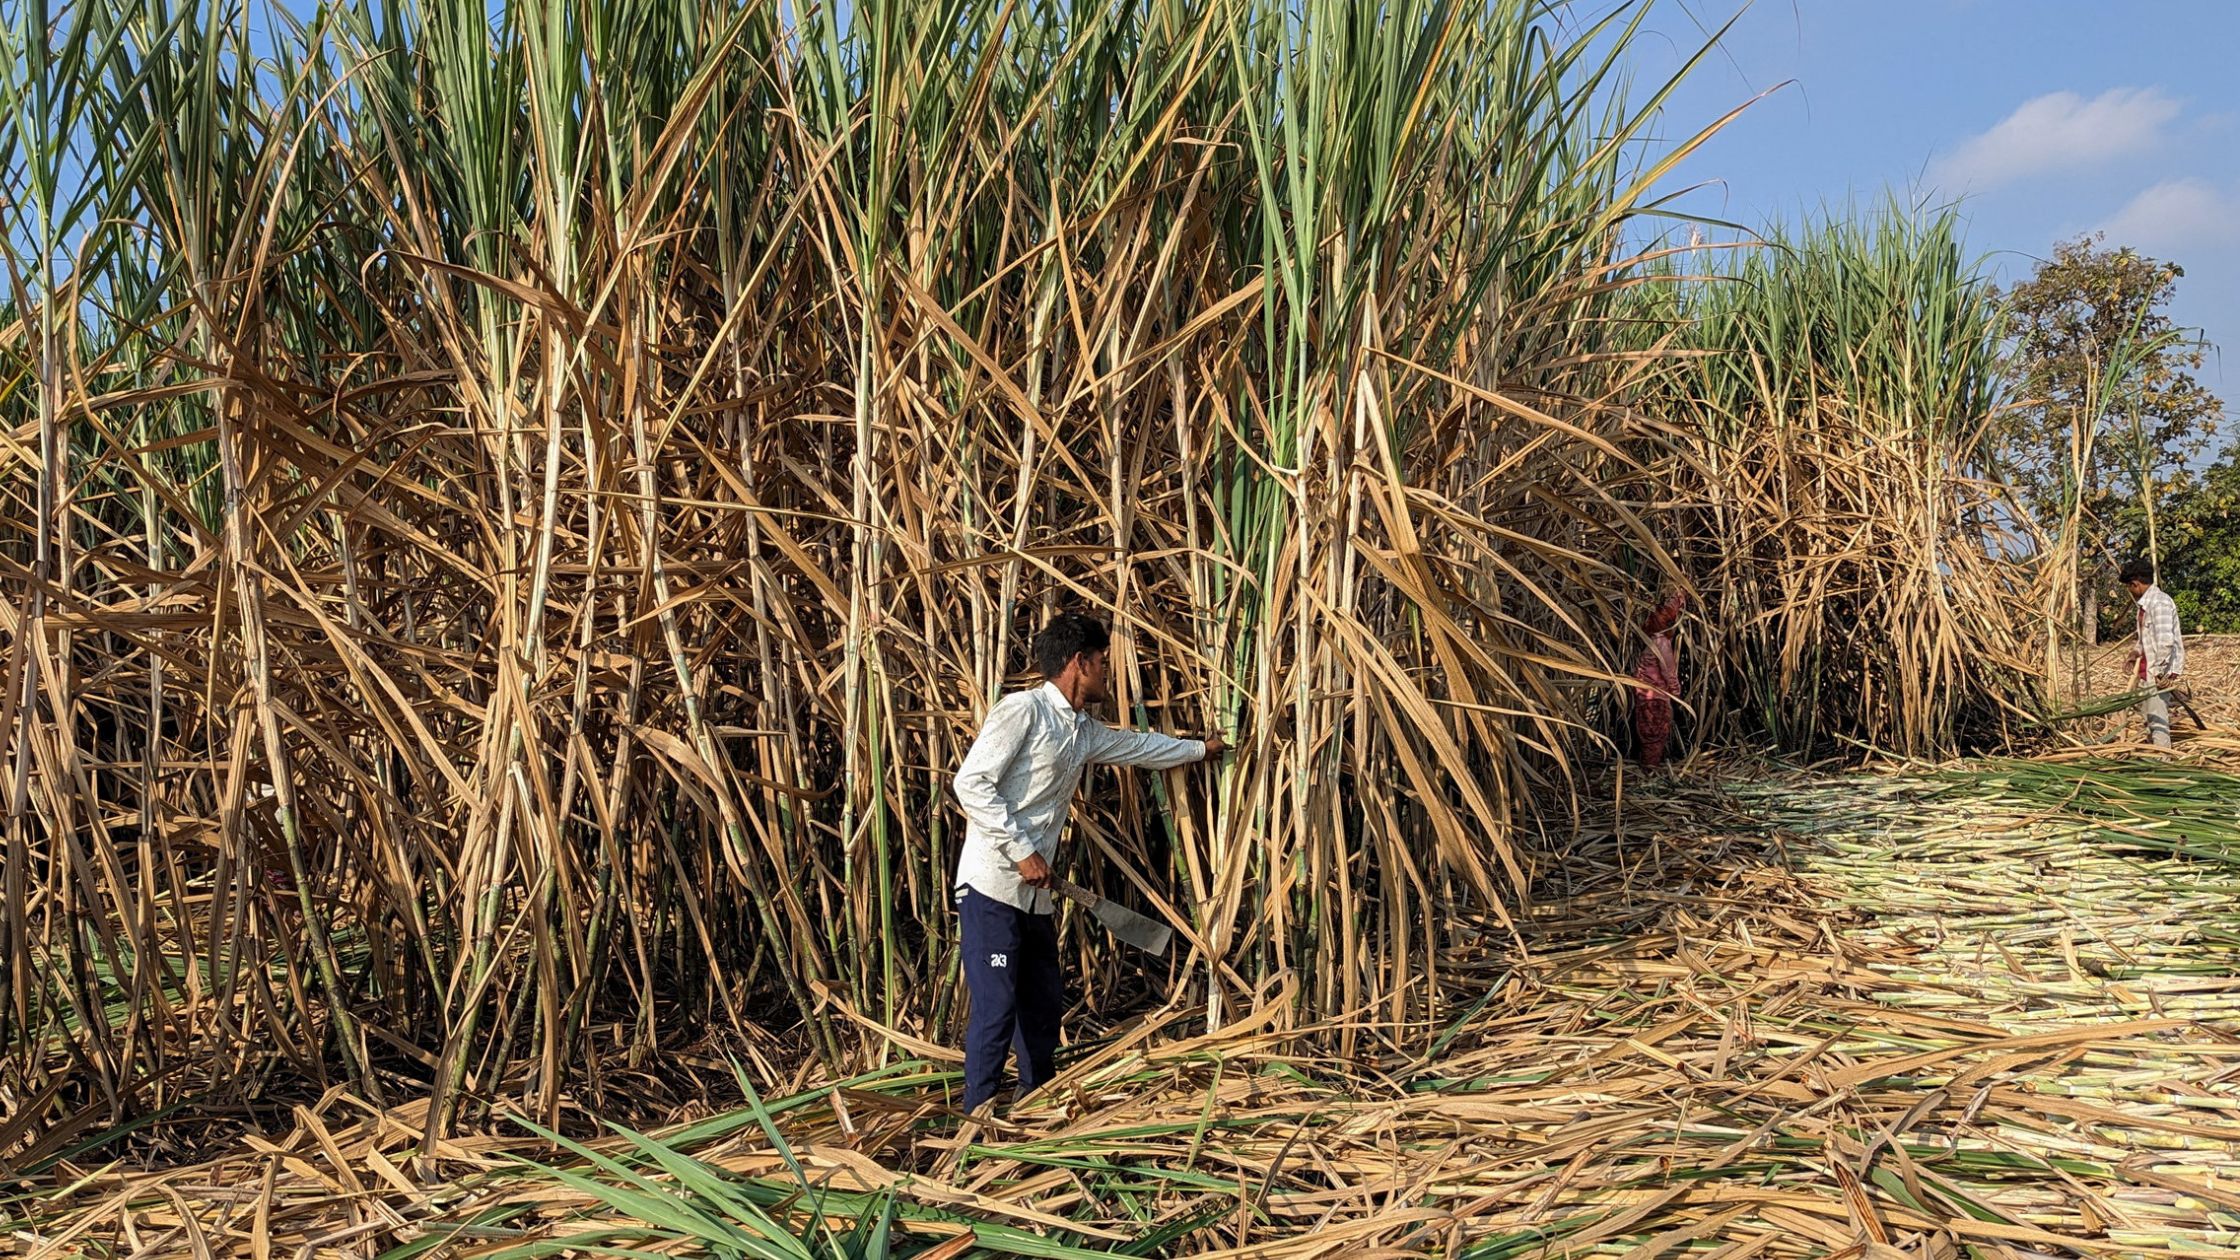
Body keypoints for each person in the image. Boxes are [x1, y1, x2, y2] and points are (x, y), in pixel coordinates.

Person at [950, 612, 1226, 1114]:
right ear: (1080, 662)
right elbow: (970, 783)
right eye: (1102, 663)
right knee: (996, 1008)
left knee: (1043, 1004)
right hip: (992, 887)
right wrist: (1023, 850)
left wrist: (1198, 750)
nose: (1106, 674)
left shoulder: (1080, 730)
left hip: (1035, 895)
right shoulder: (1023, 711)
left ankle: (1035, 1108)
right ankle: (977, 1122)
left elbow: (1138, 746)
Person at [2121, 559, 2185, 750]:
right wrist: (2134, 653)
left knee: (2158, 719)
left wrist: (2159, 673)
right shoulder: (2144, 606)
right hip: (2146, 670)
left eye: (2129, 587)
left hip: (2156, 673)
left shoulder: (2160, 603)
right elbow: (2145, 639)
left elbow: (2166, 641)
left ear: (2136, 584)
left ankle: (2163, 762)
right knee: (2148, 716)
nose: (2130, 592)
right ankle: (2154, 753)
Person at [1631, 592, 1686, 769]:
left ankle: (1648, 766)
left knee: (1648, 734)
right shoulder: (1662, 643)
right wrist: (1676, 691)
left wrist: (1678, 596)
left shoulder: (1650, 641)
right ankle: (1650, 769)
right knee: (1655, 734)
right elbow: (1668, 671)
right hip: (1656, 698)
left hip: (1644, 696)